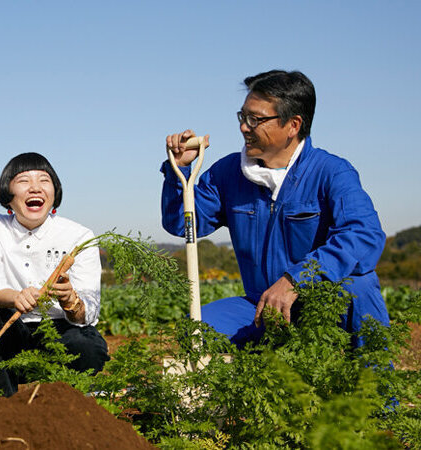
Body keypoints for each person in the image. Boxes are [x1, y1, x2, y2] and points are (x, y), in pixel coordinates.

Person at [161, 70, 389, 347]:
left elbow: (363, 235)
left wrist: (295, 280)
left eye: (255, 119)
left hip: (322, 302)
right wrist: (179, 172)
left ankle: (375, 388)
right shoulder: (228, 173)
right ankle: (249, 386)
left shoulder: (331, 172)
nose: (244, 127)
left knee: (360, 288)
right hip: (261, 305)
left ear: (293, 125)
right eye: (242, 117)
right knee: (197, 331)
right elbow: (182, 225)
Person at [0, 152, 109, 397]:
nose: (34, 188)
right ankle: (5, 403)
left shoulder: (79, 235)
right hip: (13, 332)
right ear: (8, 195)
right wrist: (15, 297)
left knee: (87, 345)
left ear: (55, 192)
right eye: (23, 181)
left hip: (62, 331)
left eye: (44, 180)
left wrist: (71, 300)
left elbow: (90, 310)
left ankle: (69, 403)